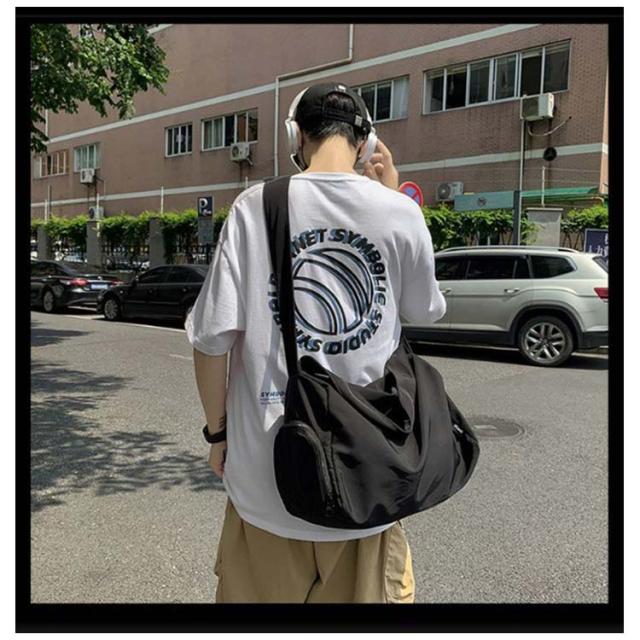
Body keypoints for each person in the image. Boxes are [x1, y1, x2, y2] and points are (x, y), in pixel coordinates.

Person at [186, 82, 446, 603]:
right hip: (367, 482)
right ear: (366, 142)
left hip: (266, 482)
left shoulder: (255, 206)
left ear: (296, 137)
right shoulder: (400, 212)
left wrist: (218, 435)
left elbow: (211, 341)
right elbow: (423, 310)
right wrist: (392, 197)